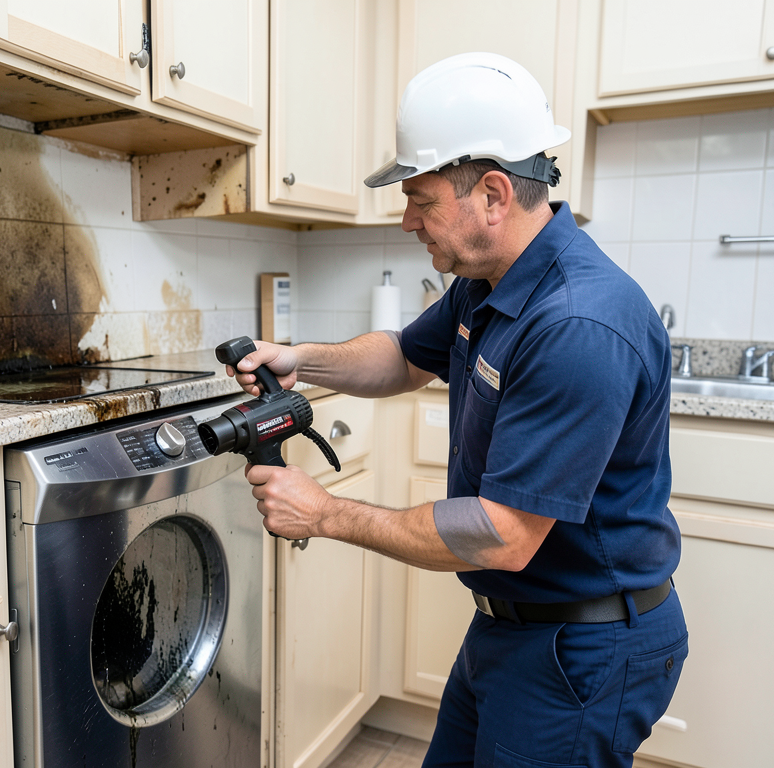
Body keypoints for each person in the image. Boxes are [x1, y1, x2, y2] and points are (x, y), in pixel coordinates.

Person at [225, 52, 687, 768]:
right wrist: (297, 357)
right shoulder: (490, 279)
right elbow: (406, 358)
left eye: (421, 199)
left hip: (583, 646)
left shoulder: (576, 324)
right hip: (510, 627)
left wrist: (325, 514)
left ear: (495, 193)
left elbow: (502, 536)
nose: (408, 219)